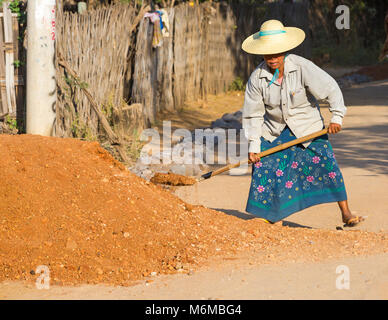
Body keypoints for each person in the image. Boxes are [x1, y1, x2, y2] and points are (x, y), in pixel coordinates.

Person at [241, 19, 364, 226]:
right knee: (265, 166)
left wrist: (336, 117)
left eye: (277, 53)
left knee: (327, 164)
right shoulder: (257, 78)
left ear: (284, 51)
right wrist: (253, 145)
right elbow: (253, 114)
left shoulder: (301, 66)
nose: (273, 58)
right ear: (262, 53)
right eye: (268, 54)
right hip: (274, 130)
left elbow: (330, 88)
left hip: (308, 127)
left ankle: (346, 212)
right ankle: (271, 217)